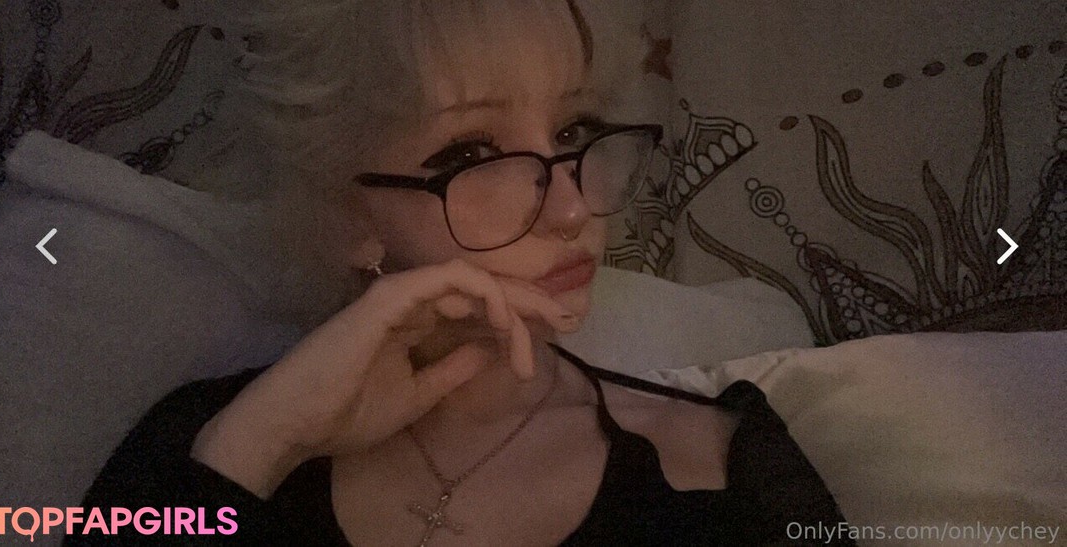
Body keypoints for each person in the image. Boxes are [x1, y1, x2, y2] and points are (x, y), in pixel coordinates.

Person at [67, 0, 851, 544]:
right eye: (472, 151)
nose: (571, 208)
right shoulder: (211, 445)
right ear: (351, 214)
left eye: (575, 130)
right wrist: (263, 443)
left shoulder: (723, 464)